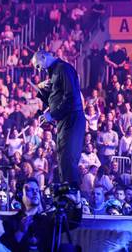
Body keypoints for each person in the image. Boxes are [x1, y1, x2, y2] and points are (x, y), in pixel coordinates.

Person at [31, 50, 85, 183]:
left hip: (72, 118)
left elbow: (70, 97)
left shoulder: (63, 68)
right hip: (64, 120)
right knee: (62, 155)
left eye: (38, 65)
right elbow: (58, 97)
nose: (39, 70)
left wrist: (52, 114)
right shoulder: (55, 72)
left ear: (43, 57)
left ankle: (71, 192)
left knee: (68, 156)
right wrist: (49, 108)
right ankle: (66, 189)